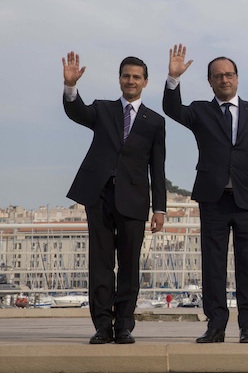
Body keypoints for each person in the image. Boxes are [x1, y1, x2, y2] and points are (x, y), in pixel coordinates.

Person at [162, 43, 248, 344]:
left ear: (237, 78)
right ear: (210, 82)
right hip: (212, 198)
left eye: (229, 75)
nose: (224, 80)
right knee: (213, 265)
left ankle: (247, 325)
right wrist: (173, 79)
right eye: (218, 76)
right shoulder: (200, 111)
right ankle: (215, 325)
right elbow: (172, 109)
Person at [62, 52, 166, 344]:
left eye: (136, 77)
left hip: (134, 198)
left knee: (130, 264)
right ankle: (102, 325)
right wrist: (71, 87)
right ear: (119, 79)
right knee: (101, 263)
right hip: (99, 194)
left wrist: (160, 208)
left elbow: (158, 169)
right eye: (126, 76)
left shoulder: (155, 121)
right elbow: (76, 112)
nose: (130, 81)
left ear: (145, 82)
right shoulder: (102, 110)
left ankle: (124, 326)